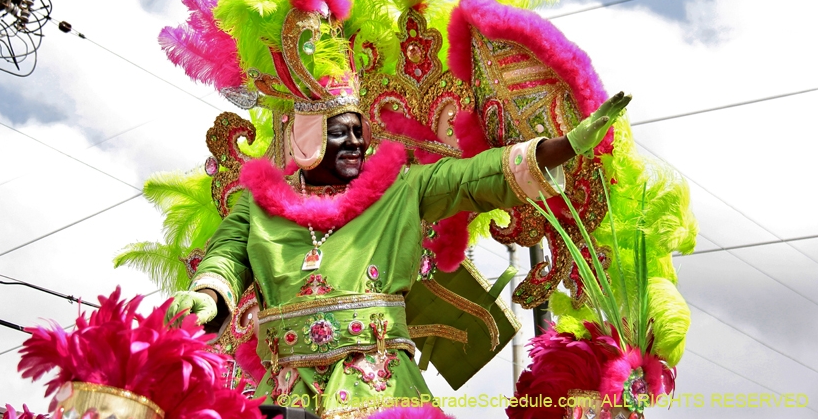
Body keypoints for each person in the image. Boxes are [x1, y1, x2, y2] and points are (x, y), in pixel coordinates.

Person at [167, 92, 631, 418]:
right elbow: (226, 256)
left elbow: (473, 177)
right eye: (338, 132)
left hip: (380, 386)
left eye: (358, 131)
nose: (354, 141)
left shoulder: (401, 187)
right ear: (303, 140)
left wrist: (561, 148)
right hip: (286, 389)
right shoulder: (259, 204)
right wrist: (208, 294)